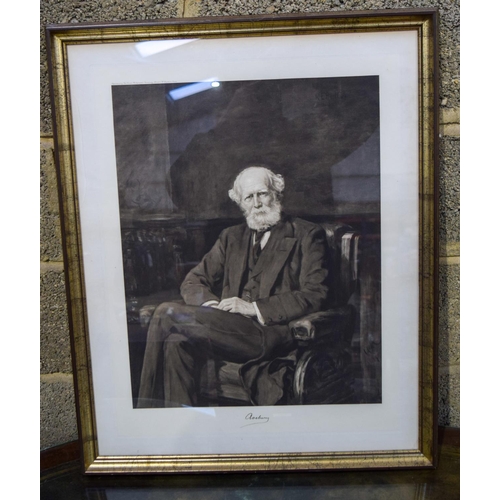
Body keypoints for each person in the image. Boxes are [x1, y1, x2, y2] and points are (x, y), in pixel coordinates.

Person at [137, 166, 333, 407]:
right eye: (249, 197)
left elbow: (316, 294)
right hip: (228, 329)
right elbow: (193, 280)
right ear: (241, 203)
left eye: (263, 193)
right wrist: (210, 306)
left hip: (269, 334)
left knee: (167, 312)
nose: (258, 203)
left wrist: (253, 308)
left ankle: (145, 413)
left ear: (276, 193)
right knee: (175, 344)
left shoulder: (307, 234)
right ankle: (183, 428)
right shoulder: (230, 237)